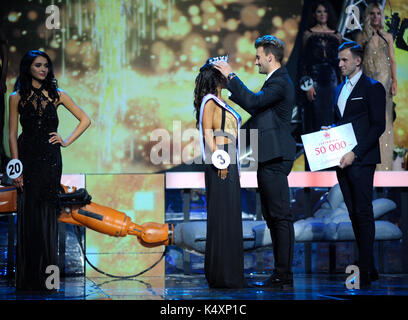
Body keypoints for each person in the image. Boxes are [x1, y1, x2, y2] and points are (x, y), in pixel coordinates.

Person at [214, 35, 296, 289]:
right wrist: (230, 88)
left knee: (280, 217)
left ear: (270, 57)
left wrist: (232, 76)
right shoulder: (274, 83)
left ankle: (284, 274)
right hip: (268, 156)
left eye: (258, 56)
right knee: (273, 217)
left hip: (275, 156)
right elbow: (257, 107)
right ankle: (281, 273)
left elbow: (254, 102)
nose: (256, 60)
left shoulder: (280, 82)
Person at [9, 50, 91, 291]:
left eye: (46, 65)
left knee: (48, 217)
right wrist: (16, 169)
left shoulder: (57, 95)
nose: (43, 69)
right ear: (28, 68)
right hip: (27, 158)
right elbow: (12, 134)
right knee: (29, 216)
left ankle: (48, 281)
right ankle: (27, 280)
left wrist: (65, 141)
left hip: (50, 160)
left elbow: (85, 119)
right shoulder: (16, 97)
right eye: (38, 65)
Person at [333, 41, 385, 287]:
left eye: (344, 60)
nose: (340, 64)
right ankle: (370, 267)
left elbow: (378, 126)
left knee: (363, 213)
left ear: (357, 61)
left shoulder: (372, 87)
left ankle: (364, 270)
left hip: (361, 160)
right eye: (339, 60)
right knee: (354, 213)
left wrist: (356, 152)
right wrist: (330, 132)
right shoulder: (338, 89)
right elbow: (342, 123)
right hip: (341, 161)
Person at [194, 57, 247, 289]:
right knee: (224, 217)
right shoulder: (209, 101)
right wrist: (221, 161)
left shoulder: (219, 100)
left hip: (229, 158)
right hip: (221, 160)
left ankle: (227, 273)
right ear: (217, 76)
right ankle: (225, 275)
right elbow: (207, 134)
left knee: (230, 216)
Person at [356, 2, 397, 171]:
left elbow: (392, 60)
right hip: (368, 79)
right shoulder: (361, 36)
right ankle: (369, 161)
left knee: (385, 120)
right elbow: (356, 61)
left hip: (384, 79)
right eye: (372, 14)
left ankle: (384, 165)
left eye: (378, 14)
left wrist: (394, 81)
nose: (375, 17)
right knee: (368, 119)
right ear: (368, 16)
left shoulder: (387, 36)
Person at [301, 1, 342, 136]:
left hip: (333, 81)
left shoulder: (337, 35)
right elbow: (303, 63)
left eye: (325, 11)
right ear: (314, 14)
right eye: (319, 11)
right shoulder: (308, 34)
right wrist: (307, 86)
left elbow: (340, 62)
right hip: (315, 81)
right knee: (315, 116)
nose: (323, 14)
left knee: (332, 114)